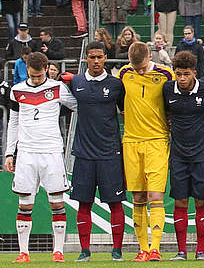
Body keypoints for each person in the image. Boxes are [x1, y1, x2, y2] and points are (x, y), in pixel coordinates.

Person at [5, 51, 77, 262]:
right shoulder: (16, 90)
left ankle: (58, 251)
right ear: (27, 70)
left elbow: (77, 106)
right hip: (26, 152)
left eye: (39, 75)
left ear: (47, 69)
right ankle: (23, 252)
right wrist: (10, 152)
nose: (36, 79)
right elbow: (13, 123)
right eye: (32, 75)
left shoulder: (57, 88)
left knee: (57, 201)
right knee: (25, 203)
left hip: (51, 151)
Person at [69, 42, 128, 261]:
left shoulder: (115, 85)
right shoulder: (76, 81)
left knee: (115, 203)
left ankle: (117, 249)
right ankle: (84, 250)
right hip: (84, 153)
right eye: (92, 57)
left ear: (105, 58)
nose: (95, 61)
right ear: (86, 58)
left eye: (99, 57)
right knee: (84, 203)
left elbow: (125, 111)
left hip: (109, 153)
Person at [118, 41, 174, 259]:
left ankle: (156, 249)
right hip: (131, 141)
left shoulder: (165, 74)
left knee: (155, 194)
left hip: (157, 141)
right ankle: (142, 249)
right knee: (138, 196)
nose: (139, 71)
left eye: (142, 67)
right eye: (135, 68)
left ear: (150, 57)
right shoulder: (124, 73)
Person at [163, 51, 204, 261]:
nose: (182, 78)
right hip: (178, 156)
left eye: (186, 74)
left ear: (194, 72)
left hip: (202, 155)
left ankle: (201, 250)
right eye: (178, 74)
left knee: (201, 203)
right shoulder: (167, 90)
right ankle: (182, 251)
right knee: (180, 203)